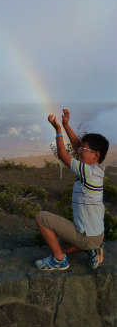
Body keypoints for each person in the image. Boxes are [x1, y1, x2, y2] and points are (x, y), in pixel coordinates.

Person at [35, 108, 109, 271]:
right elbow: (77, 147)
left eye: (84, 149)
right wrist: (67, 125)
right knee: (61, 245)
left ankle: (59, 260)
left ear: (96, 155)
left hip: (86, 236)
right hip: (96, 234)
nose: (79, 151)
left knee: (42, 218)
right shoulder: (95, 170)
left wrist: (58, 130)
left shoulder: (87, 171)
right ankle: (93, 248)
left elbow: (62, 154)